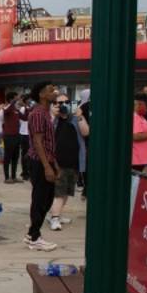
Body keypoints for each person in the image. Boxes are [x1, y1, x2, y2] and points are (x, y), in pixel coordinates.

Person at [24, 82, 59, 252]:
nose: (55, 92)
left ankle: (32, 233)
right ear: (41, 94)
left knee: (47, 198)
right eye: (51, 90)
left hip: (47, 160)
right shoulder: (38, 114)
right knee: (40, 199)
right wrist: (46, 166)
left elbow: (48, 142)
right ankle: (34, 237)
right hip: (39, 161)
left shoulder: (45, 112)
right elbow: (38, 142)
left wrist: (54, 164)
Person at [48, 93, 89, 232]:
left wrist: (80, 116)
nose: (63, 105)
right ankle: (54, 218)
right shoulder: (53, 119)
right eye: (59, 103)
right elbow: (46, 134)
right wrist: (53, 115)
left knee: (67, 192)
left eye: (66, 102)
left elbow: (86, 132)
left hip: (74, 161)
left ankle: (57, 215)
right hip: (58, 163)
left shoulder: (74, 118)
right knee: (59, 193)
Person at [1, 92, 22, 183]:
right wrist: (13, 102)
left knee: (15, 157)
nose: (18, 99)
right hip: (8, 136)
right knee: (7, 157)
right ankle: (7, 177)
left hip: (16, 135)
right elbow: (6, 111)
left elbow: (24, 117)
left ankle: (13, 176)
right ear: (11, 99)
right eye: (16, 97)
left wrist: (28, 107)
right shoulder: (6, 107)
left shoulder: (16, 109)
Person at [132, 96, 147, 173]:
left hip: (143, 158)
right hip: (137, 158)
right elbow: (135, 136)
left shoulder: (141, 116)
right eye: (146, 106)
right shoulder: (135, 117)